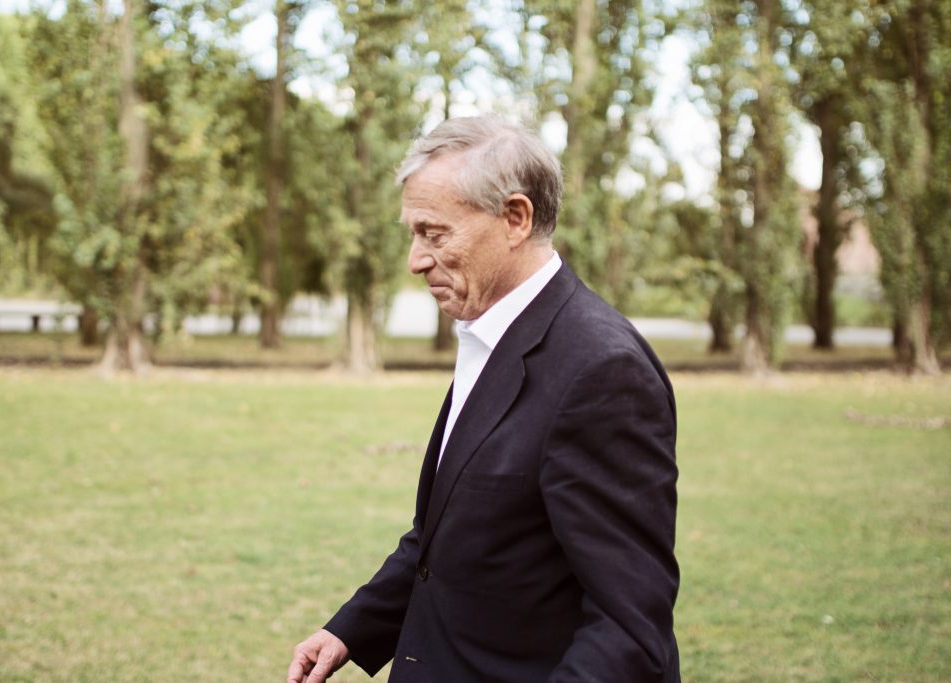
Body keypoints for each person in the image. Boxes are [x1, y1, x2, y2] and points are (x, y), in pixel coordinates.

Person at [287, 115, 680, 683]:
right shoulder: (491, 333)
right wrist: (351, 629)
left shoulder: (602, 371)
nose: (416, 260)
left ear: (515, 218)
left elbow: (628, 625)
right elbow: (449, 534)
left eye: (435, 233)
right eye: (413, 234)